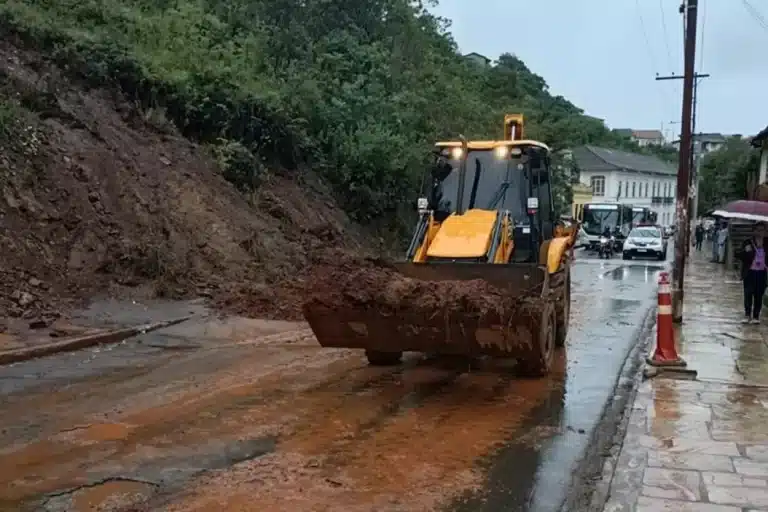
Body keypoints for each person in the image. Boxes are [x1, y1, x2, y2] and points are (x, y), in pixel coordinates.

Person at [738, 222, 768, 324]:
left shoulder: (767, 243)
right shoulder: (748, 242)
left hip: (762, 273)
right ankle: (747, 315)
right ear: (754, 231)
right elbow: (740, 256)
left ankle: (756, 316)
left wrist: (762, 247)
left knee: (759, 295)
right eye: (757, 230)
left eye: (762, 230)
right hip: (750, 272)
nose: (760, 232)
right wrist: (747, 251)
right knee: (748, 293)